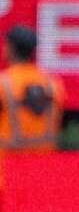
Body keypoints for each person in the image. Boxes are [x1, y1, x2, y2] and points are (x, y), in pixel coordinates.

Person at [0, 25, 66, 154]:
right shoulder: (53, 84)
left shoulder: (3, 82)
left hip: (8, 161)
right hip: (44, 163)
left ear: (11, 48)